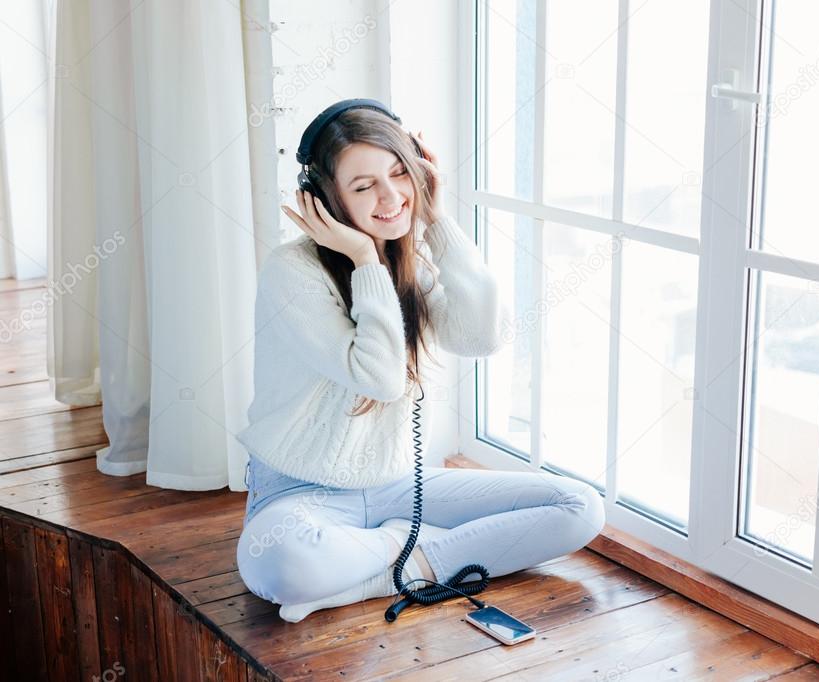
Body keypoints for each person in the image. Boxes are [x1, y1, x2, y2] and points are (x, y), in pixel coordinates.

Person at [233, 102, 605, 623]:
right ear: (324, 197)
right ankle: (407, 550)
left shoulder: (412, 257)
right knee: (276, 568)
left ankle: (395, 565)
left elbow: (482, 336)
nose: (390, 198)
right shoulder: (291, 272)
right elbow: (381, 378)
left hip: (400, 483)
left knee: (580, 508)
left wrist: (436, 219)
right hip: (303, 491)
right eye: (363, 187)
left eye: (400, 173)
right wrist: (364, 260)